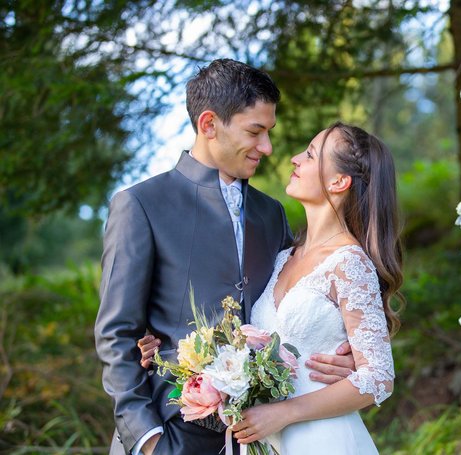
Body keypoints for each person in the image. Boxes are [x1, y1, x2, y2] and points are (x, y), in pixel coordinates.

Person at [95, 59, 355, 455]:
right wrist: (147, 440)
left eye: (269, 132)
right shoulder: (140, 205)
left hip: (264, 437)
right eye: (255, 132)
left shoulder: (272, 213)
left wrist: (346, 354)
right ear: (209, 124)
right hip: (168, 433)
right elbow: (116, 335)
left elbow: (306, 300)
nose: (267, 148)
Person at [141, 122, 402, 454]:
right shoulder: (282, 257)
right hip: (266, 441)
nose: (294, 159)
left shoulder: (349, 262)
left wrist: (284, 413)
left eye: (310, 155)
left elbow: (379, 378)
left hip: (322, 438)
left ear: (339, 181)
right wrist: (155, 341)